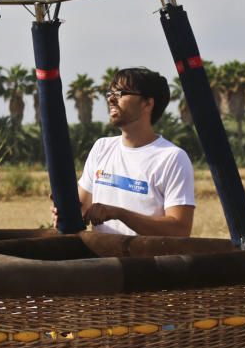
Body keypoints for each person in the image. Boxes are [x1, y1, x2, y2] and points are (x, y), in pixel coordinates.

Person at [56, 67, 195, 236]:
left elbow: (179, 229)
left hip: (147, 262)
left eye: (121, 93)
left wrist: (119, 214)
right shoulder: (102, 148)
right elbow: (82, 208)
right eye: (110, 93)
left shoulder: (172, 158)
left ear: (147, 103)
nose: (111, 100)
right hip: (100, 262)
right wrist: (65, 211)